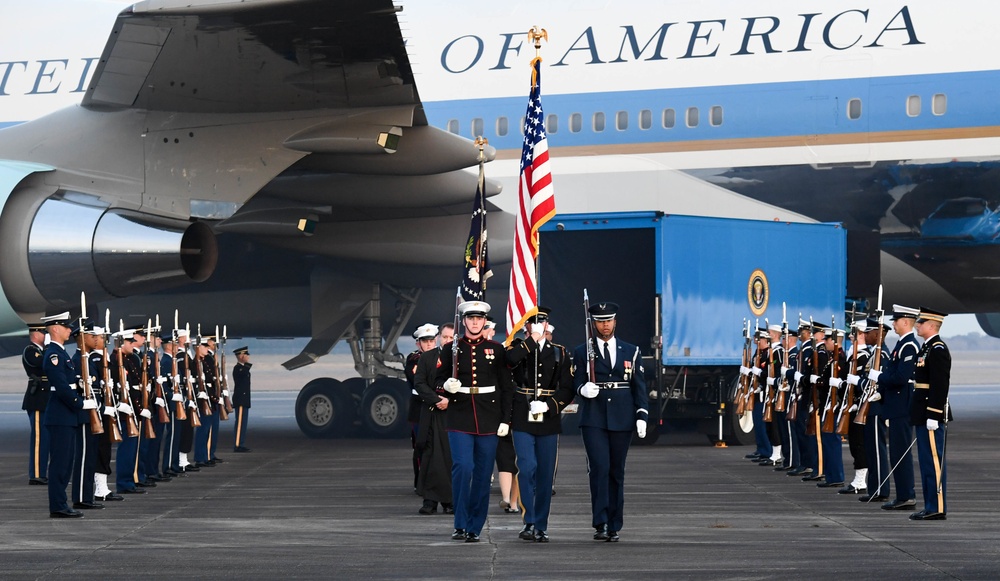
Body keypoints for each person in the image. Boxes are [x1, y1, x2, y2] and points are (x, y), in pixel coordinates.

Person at [437, 301, 514, 543]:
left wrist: (506, 419)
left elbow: (506, 387)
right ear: (464, 321)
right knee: (463, 467)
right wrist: (445, 386)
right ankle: (460, 522)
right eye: (470, 318)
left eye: (478, 318)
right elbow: (437, 378)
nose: (474, 322)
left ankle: (475, 526)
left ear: (484, 321)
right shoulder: (452, 349)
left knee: (482, 473)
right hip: (459, 415)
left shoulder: (495, 349)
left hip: (489, 416)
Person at [573, 301, 648, 543]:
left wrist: (642, 415)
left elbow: (640, 387)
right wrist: (583, 388)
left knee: (617, 471)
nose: (604, 325)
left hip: (622, 416)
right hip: (594, 417)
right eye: (600, 321)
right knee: (599, 468)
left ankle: (615, 522)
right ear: (593, 324)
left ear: (615, 322)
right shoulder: (582, 351)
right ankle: (601, 522)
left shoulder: (631, 351)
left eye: (608, 321)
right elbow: (575, 381)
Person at [505, 307, 574, 543]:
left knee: (545, 473)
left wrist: (550, 406)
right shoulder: (518, 348)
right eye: (533, 325)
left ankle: (541, 524)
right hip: (523, 414)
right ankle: (529, 520)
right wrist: (531, 342)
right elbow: (509, 361)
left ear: (548, 327)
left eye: (542, 324)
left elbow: (567, 388)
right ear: (526, 328)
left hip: (547, 416)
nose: (538, 328)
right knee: (527, 466)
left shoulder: (559, 353)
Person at [42, 311, 95, 518]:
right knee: (60, 463)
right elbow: (62, 386)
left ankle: (61, 503)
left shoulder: (62, 353)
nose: (69, 330)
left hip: (66, 416)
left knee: (66, 462)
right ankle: (58, 505)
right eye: (65, 327)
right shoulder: (54, 355)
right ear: (55, 329)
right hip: (60, 415)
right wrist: (79, 403)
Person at [868, 305, 919, 511]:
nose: (893, 324)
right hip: (895, 405)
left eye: (896, 321)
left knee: (901, 453)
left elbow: (901, 377)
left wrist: (878, 377)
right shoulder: (901, 344)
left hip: (903, 407)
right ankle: (902, 495)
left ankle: (907, 496)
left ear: (906, 322)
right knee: (897, 452)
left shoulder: (909, 346)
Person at [909, 308, 952, 521]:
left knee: (934, 462)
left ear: (932, 325)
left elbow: (940, 385)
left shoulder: (937, 349)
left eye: (921, 322)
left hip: (930, 413)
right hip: (922, 412)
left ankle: (937, 507)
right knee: (926, 462)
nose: (917, 325)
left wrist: (934, 415)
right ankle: (929, 506)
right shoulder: (926, 348)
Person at [414, 323, 454, 515]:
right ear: (439, 338)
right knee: (429, 455)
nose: (448, 341)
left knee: (449, 456)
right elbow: (419, 383)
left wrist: (449, 402)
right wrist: (437, 399)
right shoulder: (427, 357)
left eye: (451, 338)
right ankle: (429, 500)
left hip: (452, 414)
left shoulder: (459, 359)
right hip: (431, 411)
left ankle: (449, 500)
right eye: (445, 337)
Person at [70, 321, 105, 510]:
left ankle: (87, 496)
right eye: (91, 336)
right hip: (84, 415)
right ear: (82, 338)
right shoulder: (77, 360)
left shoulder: (88, 359)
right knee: (83, 456)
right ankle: (81, 497)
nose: (96, 339)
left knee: (90, 456)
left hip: (94, 413)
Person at [858, 317, 891, 503]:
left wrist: (861, 383)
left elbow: (881, 383)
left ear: (878, 335)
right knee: (871, 449)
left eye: (868, 332)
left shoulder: (883, 356)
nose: (865, 336)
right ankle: (874, 488)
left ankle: (880, 489)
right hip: (869, 407)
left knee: (877, 450)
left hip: (876, 407)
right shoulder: (874, 355)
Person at [22, 323, 50, 486]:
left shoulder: (41, 350)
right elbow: (42, 364)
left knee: (46, 438)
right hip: (37, 398)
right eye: (43, 332)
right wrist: (48, 347)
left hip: (45, 397)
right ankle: (37, 474)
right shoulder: (31, 350)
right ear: (35, 333)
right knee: (39, 439)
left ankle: (41, 472)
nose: (45, 335)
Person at [232, 346, 252, 453]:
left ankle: (241, 443)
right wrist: (245, 364)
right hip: (240, 399)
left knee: (243, 423)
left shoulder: (243, 368)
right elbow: (243, 373)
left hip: (244, 399)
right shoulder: (238, 368)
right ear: (240, 356)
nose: (247, 357)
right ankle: (237, 444)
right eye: (245, 355)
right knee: (239, 422)